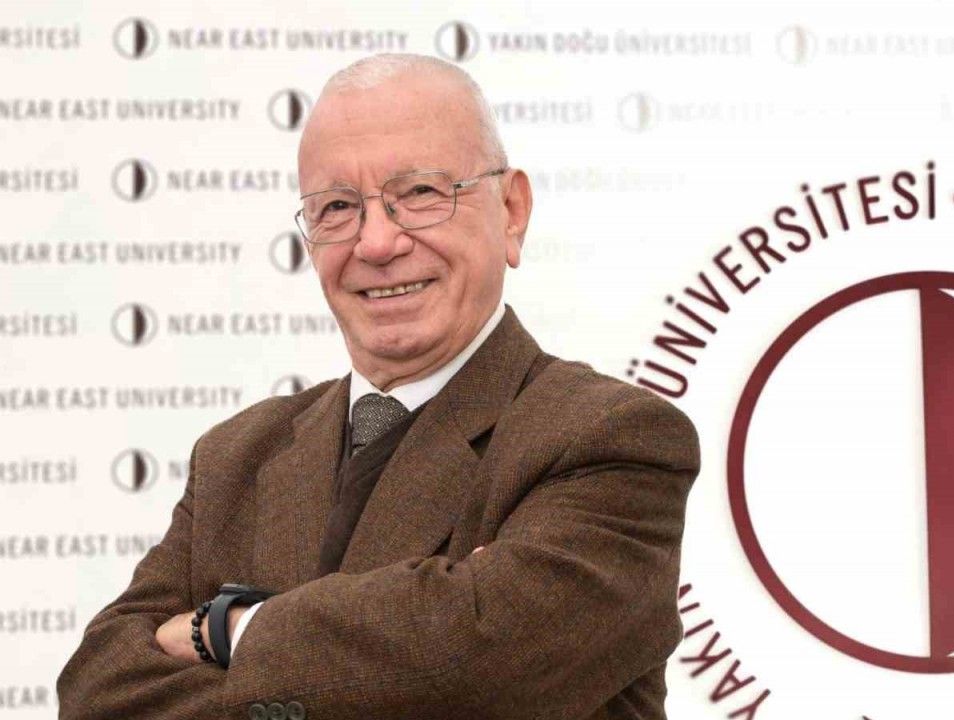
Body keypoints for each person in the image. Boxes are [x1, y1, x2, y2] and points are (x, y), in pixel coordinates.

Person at [56, 53, 701, 720]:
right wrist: (404, 652)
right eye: (337, 207)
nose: (377, 242)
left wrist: (225, 629)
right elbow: (98, 690)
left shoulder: (609, 438)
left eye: (419, 193)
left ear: (511, 211)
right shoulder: (236, 457)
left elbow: (479, 675)